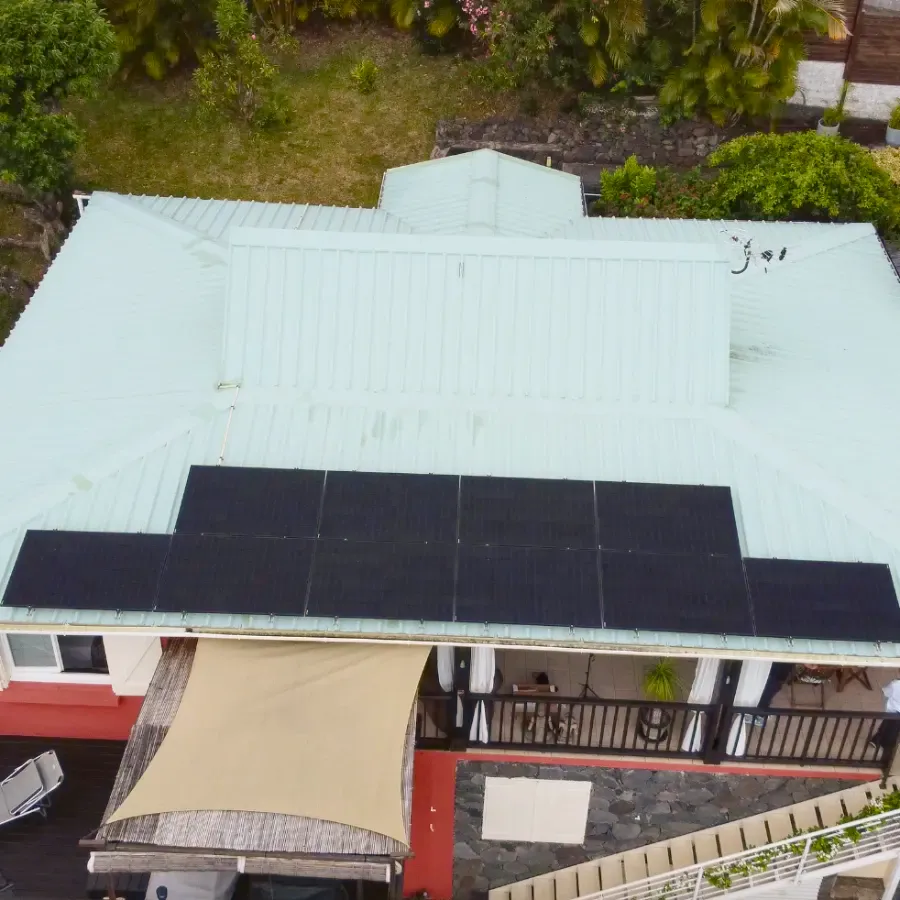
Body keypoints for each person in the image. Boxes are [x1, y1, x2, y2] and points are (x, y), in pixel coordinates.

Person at [870, 677, 900, 751]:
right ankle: (890, 745)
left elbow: (886, 692)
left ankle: (877, 740)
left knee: (886, 725)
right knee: (895, 729)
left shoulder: (895, 684)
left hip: (892, 711)